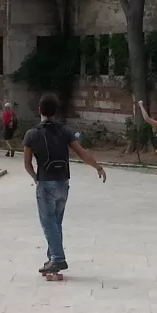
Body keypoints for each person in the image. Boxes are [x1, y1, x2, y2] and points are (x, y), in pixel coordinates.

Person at [23, 93, 106, 276]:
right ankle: (52, 258)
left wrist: (36, 177)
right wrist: (97, 167)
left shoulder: (32, 134)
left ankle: (58, 258)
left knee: (48, 223)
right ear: (56, 111)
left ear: (39, 110)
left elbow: (27, 164)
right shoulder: (65, 131)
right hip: (63, 182)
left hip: (45, 182)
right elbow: (82, 153)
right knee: (56, 223)